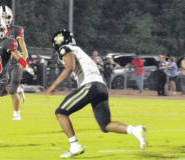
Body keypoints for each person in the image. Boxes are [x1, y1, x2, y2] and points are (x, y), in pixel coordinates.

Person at [46, 29, 147, 158]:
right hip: (101, 87)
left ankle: (75, 146)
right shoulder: (80, 51)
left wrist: (53, 86)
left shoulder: (66, 48)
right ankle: (135, 130)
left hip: (91, 86)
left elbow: (69, 67)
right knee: (106, 125)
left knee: (61, 112)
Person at [0, 5, 31, 120]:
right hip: (3, 64)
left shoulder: (17, 30)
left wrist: (23, 61)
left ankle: (16, 114)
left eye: (7, 17)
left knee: (12, 90)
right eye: (3, 17)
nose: (5, 19)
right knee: (0, 93)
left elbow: (24, 49)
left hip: (15, 62)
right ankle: (19, 89)